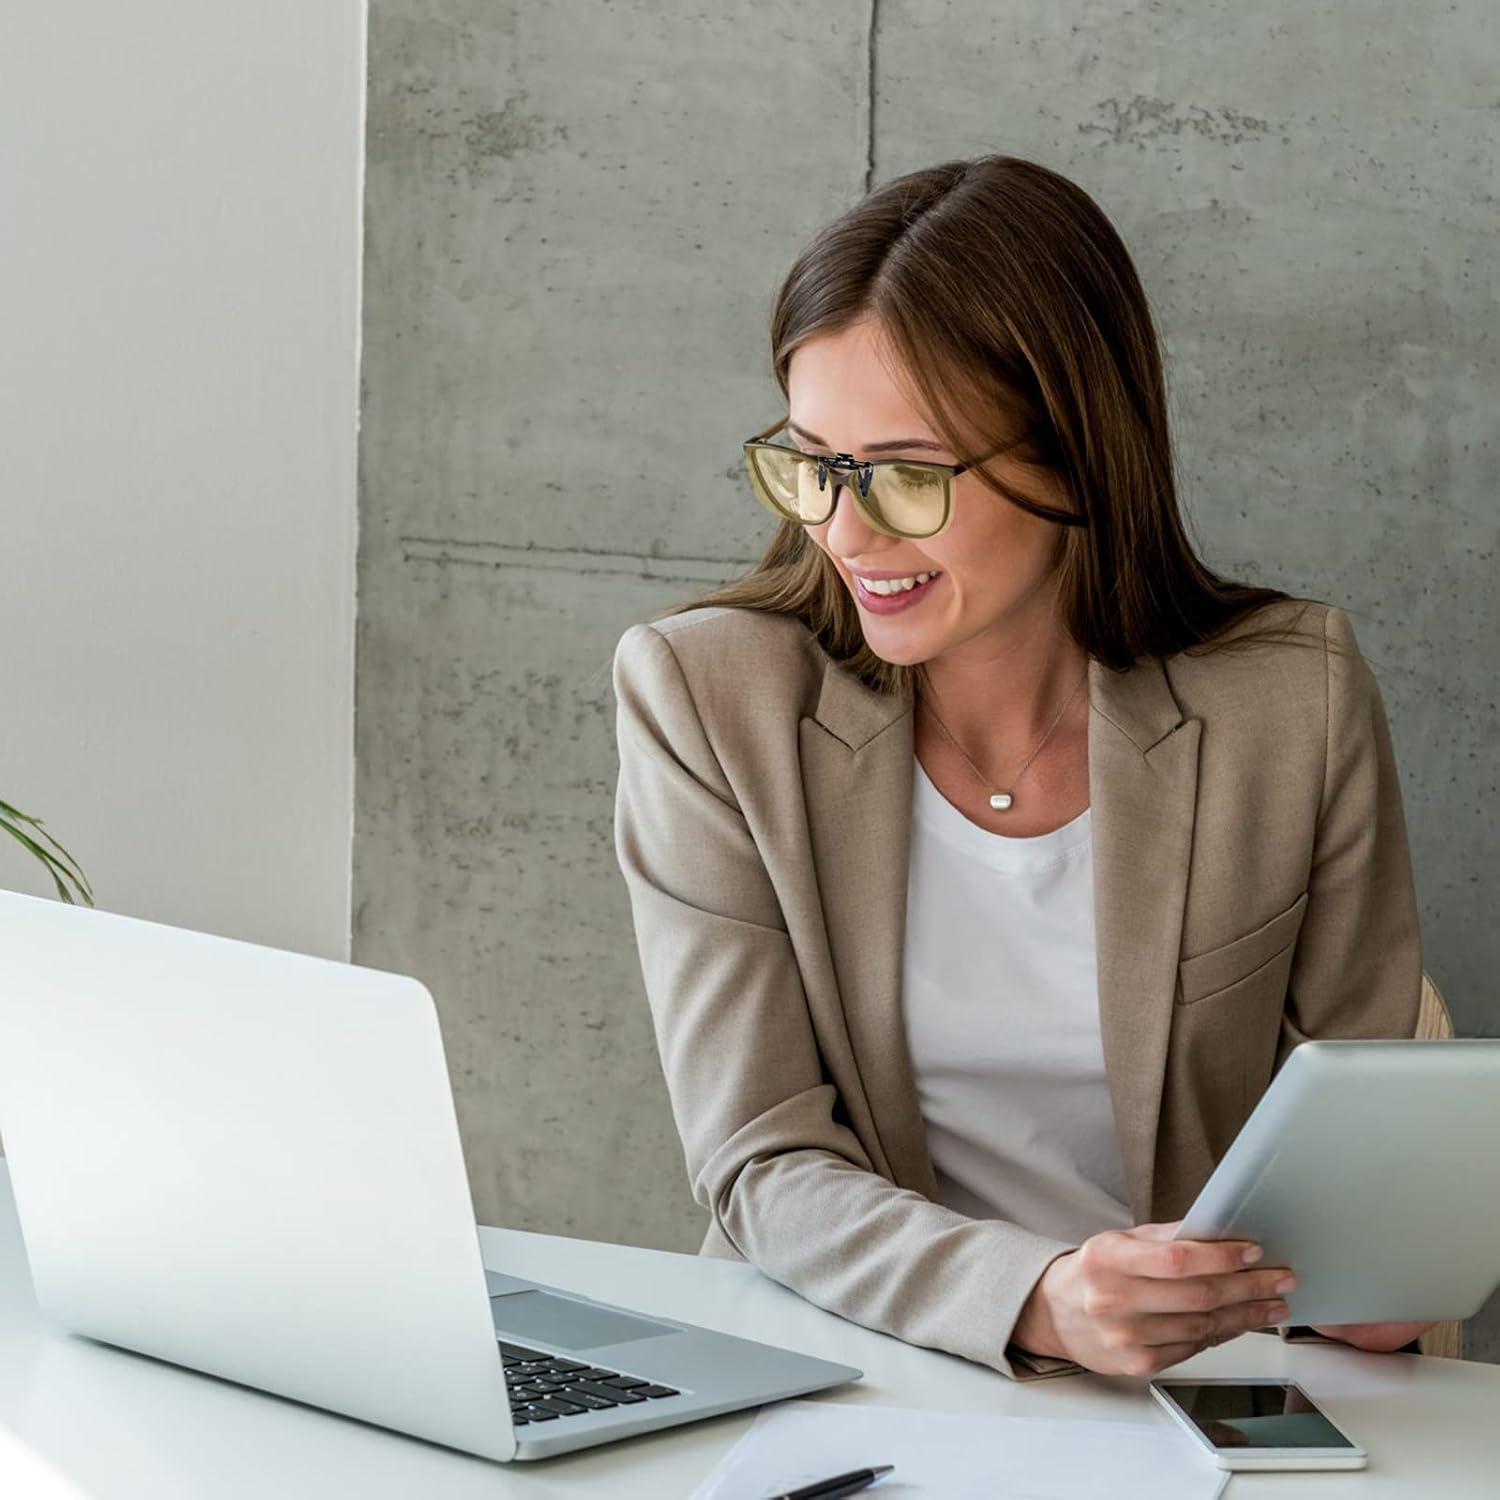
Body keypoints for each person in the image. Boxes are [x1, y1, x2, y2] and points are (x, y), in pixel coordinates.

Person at [610, 154, 1436, 1380]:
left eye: (905, 474)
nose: (844, 530)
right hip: (855, 1365)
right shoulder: (709, 698)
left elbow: (1360, 1174)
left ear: (1074, 457)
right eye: (813, 462)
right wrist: (1037, 1298)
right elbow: (759, 1163)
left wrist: (1373, 1266)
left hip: (1197, 1395)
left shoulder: (1290, 700)